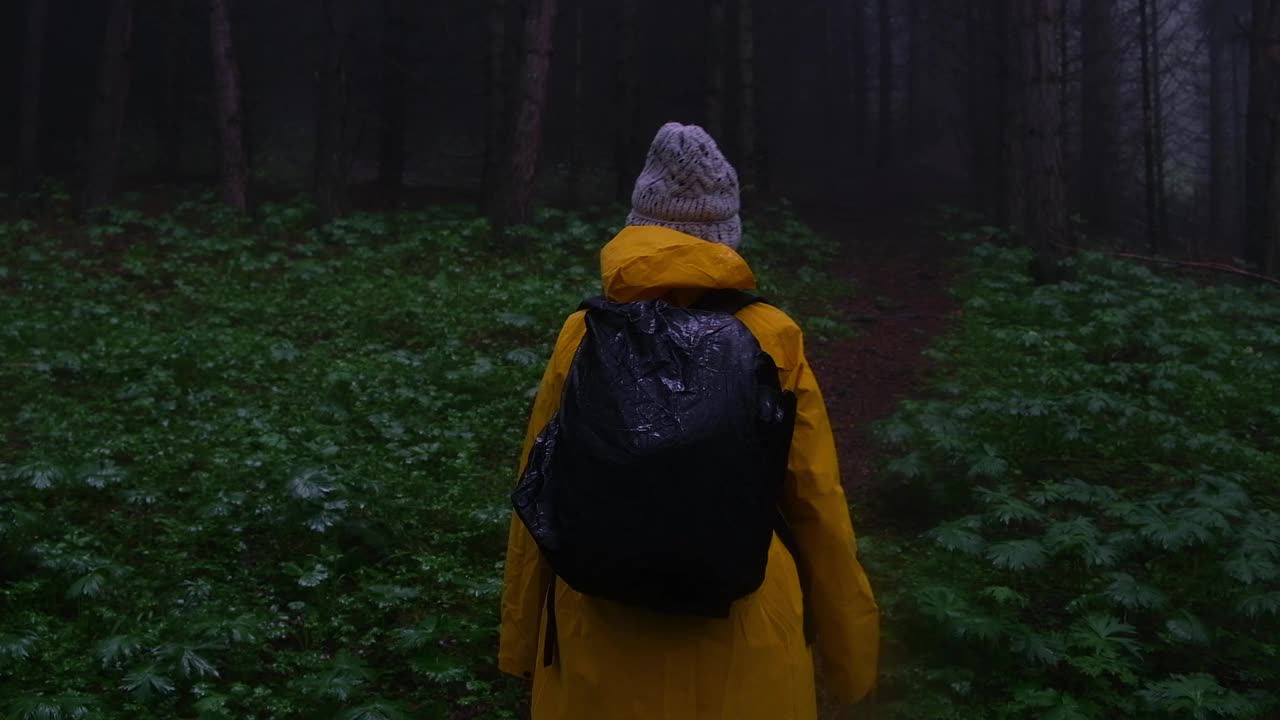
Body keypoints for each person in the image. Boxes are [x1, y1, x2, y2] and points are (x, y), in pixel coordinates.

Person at [499, 122, 879, 719]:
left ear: (637, 230)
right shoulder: (772, 335)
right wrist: (849, 657)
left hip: (598, 632)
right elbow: (816, 503)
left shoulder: (583, 335)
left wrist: (521, 643)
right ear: (727, 239)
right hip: (745, 631)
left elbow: (538, 490)